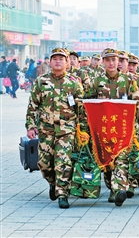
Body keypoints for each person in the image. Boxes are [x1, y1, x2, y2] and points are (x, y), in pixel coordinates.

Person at [85, 48, 139, 207]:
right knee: (106, 163)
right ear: (103, 62)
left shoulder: (127, 81)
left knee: (121, 159)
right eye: (108, 60)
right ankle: (113, 188)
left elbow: (137, 103)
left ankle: (119, 188)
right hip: (103, 130)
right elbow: (86, 105)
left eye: (115, 60)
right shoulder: (96, 82)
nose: (112, 63)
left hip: (123, 129)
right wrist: (84, 128)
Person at [25, 48, 88, 209]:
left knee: (63, 162)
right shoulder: (41, 81)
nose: (58, 61)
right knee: (44, 164)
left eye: (61, 58)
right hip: (46, 130)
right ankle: (53, 182)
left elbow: (81, 108)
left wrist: (83, 130)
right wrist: (31, 126)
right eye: (55, 58)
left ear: (67, 62)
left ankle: (63, 193)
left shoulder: (74, 82)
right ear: (50, 62)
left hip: (67, 130)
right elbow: (33, 107)